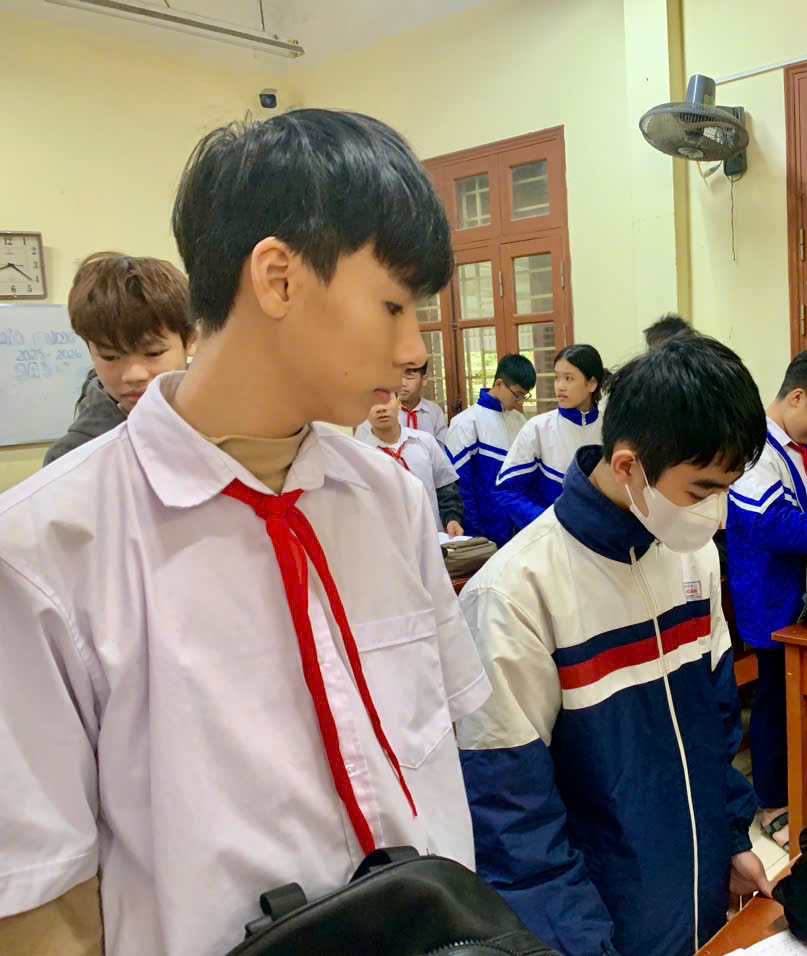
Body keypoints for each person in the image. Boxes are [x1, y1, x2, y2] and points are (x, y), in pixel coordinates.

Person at [0, 110, 491, 956]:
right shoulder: (47, 551)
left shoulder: (388, 498)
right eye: (392, 305)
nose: (413, 348)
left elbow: (442, 750)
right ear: (278, 279)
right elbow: (44, 902)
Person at [456, 334, 771, 956]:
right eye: (702, 491)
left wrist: (733, 837)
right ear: (627, 466)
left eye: (726, 490)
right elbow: (513, 822)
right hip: (601, 923)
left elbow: (715, 723)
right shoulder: (516, 595)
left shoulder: (692, 557)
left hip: (699, 891)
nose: (717, 515)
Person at [726, 349, 807, 853]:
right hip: (771, 596)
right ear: (797, 397)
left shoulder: (799, 446)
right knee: (774, 702)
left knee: (799, 700)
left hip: (798, 593)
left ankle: (801, 781)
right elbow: (772, 524)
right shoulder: (756, 449)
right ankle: (772, 802)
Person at [44, 252, 196, 465]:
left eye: (153, 353)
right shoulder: (70, 457)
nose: (134, 375)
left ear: (190, 341)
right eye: (111, 357)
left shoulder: (228, 425)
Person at [495, 344, 607, 531]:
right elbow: (507, 492)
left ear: (592, 384)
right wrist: (549, 522)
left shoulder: (611, 428)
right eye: (556, 378)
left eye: (568, 378)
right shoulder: (538, 428)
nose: (560, 386)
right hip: (547, 538)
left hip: (599, 539)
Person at [444, 354, 536, 547]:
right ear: (499, 384)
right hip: (482, 533)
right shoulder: (466, 423)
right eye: (517, 394)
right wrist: (478, 538)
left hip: (517, 530)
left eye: (524, 396)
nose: (520, 401)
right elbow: (462, 488)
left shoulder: (520, 421)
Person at [358, 389, 465, 537]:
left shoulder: (425, 441)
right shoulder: (360, 455)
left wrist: (452, 519)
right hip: (386, 540)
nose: (380, 408)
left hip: (432, 537)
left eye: (386, 400)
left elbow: (445, 487)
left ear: (398, 402)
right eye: (372, 403)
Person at [357, 359, 448, 445]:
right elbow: (360, 450)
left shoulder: (434, 411)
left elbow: (443, 450)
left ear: (424, 380)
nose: (402, 383)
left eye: (409, 377)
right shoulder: (376, 413)